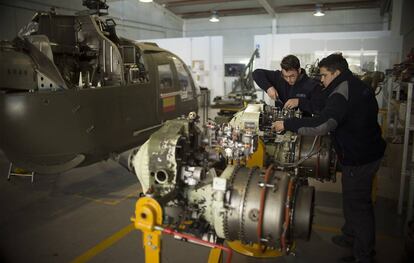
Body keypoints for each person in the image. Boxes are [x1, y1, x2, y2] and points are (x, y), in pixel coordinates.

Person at [273, 53, 386, 263]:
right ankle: (350, 235)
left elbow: (322, 124)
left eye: (324, 75)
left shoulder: (342, 91)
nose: (322, 80)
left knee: (359, 205)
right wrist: (300, 102)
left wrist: (287, 125)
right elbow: (321, 103)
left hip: (360, 157)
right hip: (360, 151)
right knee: (351, 197)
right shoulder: (348, 84)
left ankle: (364, 255)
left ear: (337, 72)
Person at [253, 54, 324, 115]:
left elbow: (319, 107)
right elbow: (256, 73)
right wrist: (268, 87)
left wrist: (299, 102)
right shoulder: (278, 77)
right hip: (279, 123)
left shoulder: (311, 85)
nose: (288, 80)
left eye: (292, 76)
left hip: (301, 127)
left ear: (299, 70)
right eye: (285, 76)